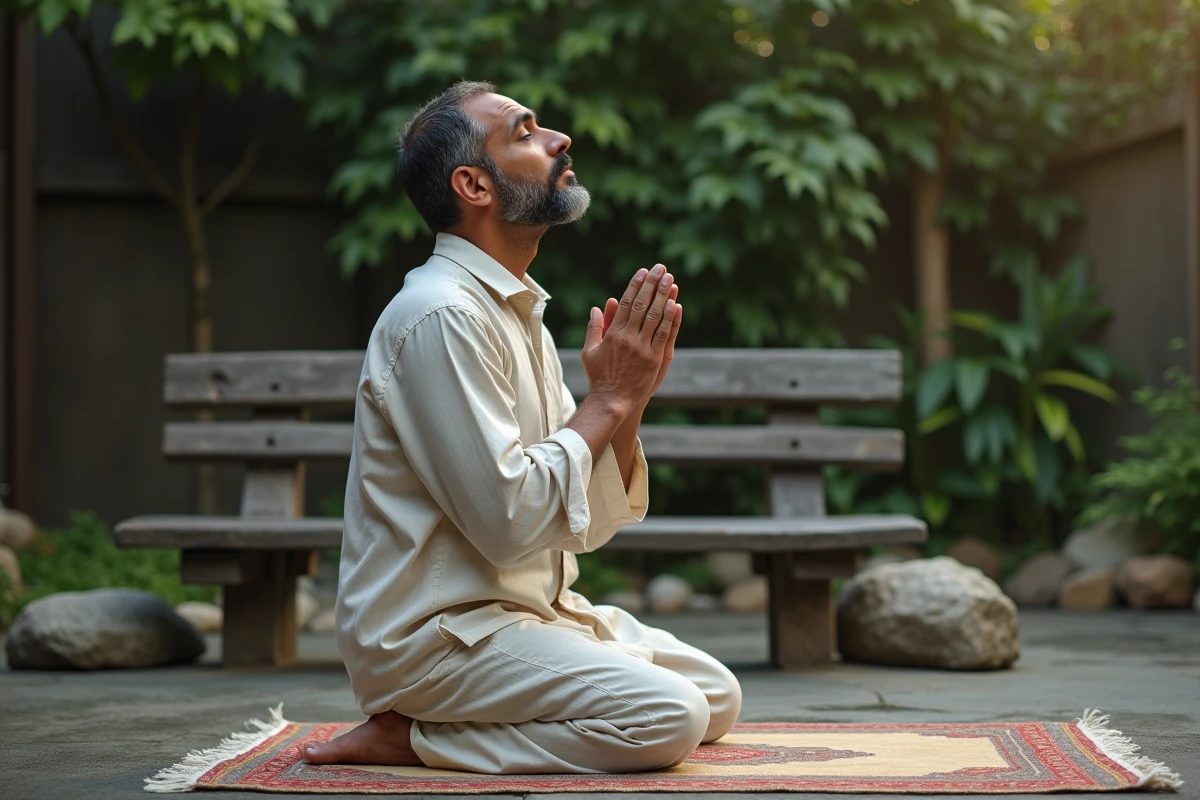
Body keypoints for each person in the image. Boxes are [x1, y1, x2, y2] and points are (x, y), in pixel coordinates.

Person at [302, 80, 742, 775]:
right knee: (671, 717)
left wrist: (626, 399)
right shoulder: (442, 315)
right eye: (526, 132)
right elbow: (509, 523)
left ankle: (443, 726)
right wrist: (606, 400)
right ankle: (413, 735)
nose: (558, 139)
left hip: (529, 614)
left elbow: (581, 525)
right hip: (438, 638)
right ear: (474, 184)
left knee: (717, 697)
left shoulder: (513, 310)